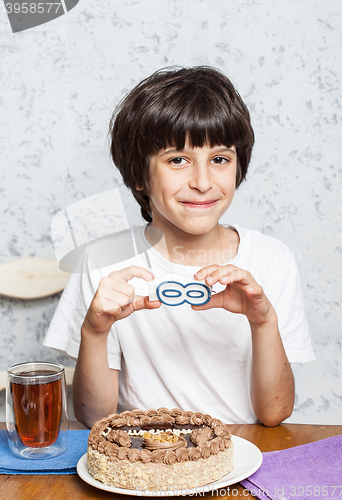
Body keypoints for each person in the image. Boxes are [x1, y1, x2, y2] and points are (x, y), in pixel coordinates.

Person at [43, 66, 315, 429]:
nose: (203, 182)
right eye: (177, 160)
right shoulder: (102, 262)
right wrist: (94, 331)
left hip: (242, 458)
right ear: (139, 175)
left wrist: (262, 321)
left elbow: (275, 413)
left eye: (219, 159)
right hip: (144, 460)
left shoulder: (271, 258)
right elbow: (95, 418)